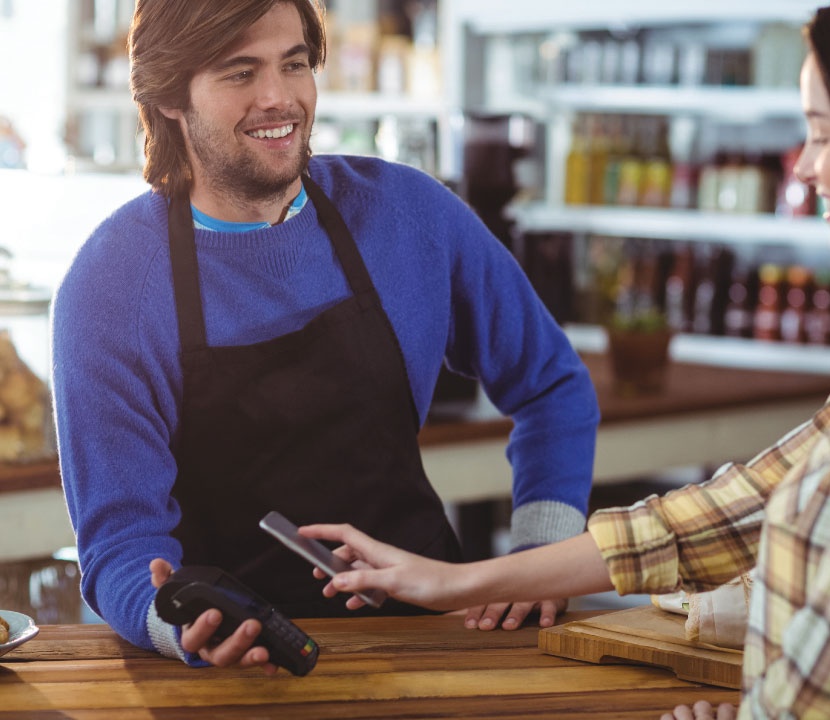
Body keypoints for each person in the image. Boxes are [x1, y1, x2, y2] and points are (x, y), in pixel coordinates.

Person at [300, 0, 830, 716]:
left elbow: (827, 698)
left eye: (821, 133)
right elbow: (749, 504)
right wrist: (461, 581)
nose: (804, 169)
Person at [51, 0, 600, 671]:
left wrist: (539, 562)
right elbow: (119, 542)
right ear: (170, 97)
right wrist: (178, 624)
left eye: (295, 64)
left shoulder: (407, 214)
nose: (278, 98)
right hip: (231, 672)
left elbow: (551, 385)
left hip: (437, 643)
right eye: (239, 73)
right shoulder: (112, 285)